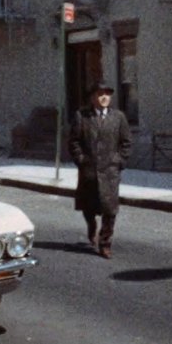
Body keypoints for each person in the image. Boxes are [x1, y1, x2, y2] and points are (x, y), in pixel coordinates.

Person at [68, 80, 132, 259]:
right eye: (100, 94)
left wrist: (119, 161)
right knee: (88, 207)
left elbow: (126, 142)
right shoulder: (82, 116)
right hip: (89, 171)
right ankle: (92, 227)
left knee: (110, 210)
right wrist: (81, 160)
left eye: (107, 94)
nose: (104, 97)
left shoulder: (118, 117)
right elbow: (73, 142)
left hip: (110, 171)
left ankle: (105, 243)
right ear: (93, 97)